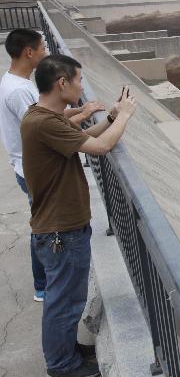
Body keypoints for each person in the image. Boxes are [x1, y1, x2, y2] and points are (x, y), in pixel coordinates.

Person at [21, 54, 137, 377]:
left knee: (68, 298)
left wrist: (112, 118)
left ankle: (66, 352)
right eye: (79, 80)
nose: (81, 86)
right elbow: (100, 148)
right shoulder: (45, 122)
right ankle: (60, 365)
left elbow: (89, 139)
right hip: (61, 230)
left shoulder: (44, 117)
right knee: (64, 302)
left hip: (61, 226)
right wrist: (126, 117)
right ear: (62, 83)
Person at [1, 29, 103, 302]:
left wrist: (81, 113)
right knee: (46, 229)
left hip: (27, 166)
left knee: (43, 226)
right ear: (29, 52)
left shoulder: (16, 83)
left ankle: (45, 285)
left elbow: (50, 118)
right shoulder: (20, 91)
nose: (47, 51)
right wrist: (85, 115)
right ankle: (43, 285)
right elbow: (47, 129)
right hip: (36, 169)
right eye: (43, 47)